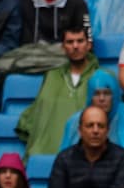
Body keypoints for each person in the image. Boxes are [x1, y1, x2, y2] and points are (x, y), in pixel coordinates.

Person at [15, 26, 101, 157]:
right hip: (47, 153)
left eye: (80, 41)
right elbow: (40, 110)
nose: (75, 46)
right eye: (70, 42)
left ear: (89, 45)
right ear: (63, 47)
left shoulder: (100, 77)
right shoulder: (51, 76)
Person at [58, 71, 124, 161]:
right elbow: (64, 161)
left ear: (114, 96)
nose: (102, 99)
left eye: (107, 93)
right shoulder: (75, 122)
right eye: (96, 94)